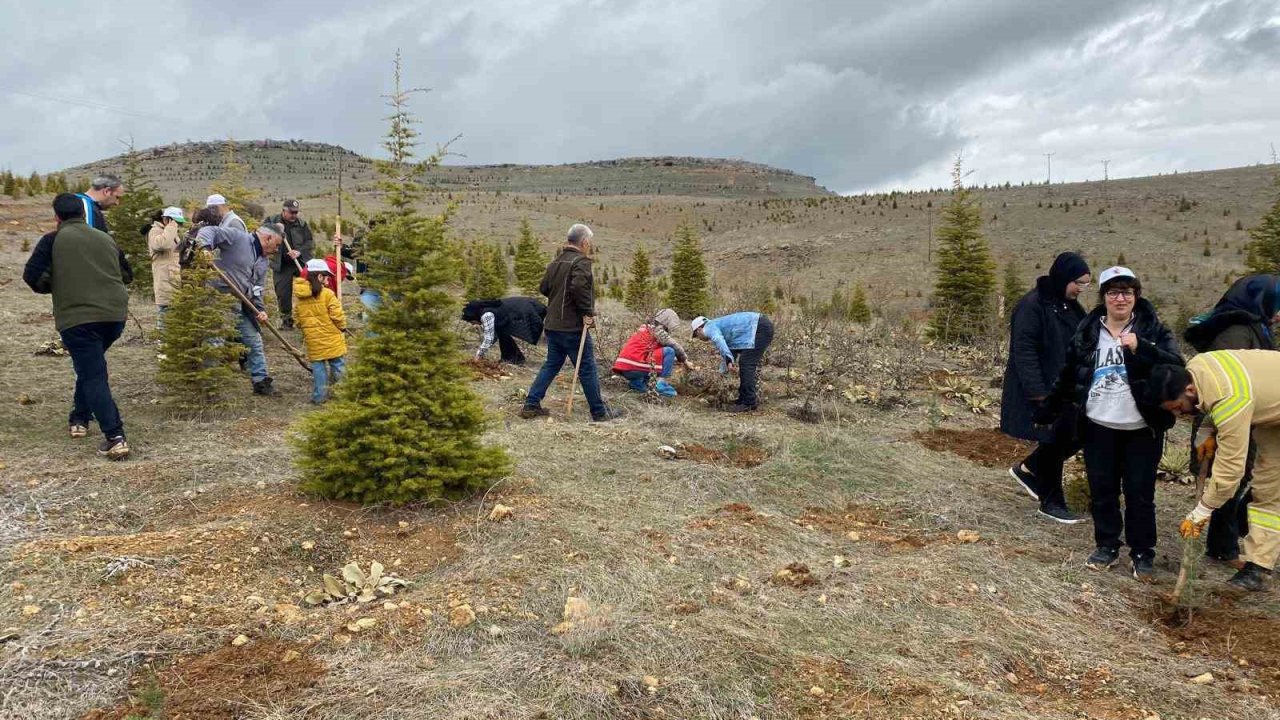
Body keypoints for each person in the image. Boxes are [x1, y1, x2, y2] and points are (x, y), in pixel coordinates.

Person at [1037, 267, 1183, 581]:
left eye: (1127, 292)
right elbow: (1068, 373)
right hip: (1098, 426)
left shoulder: (1154, 329)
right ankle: (1106, 545)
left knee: (1139, 495)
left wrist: (1142, 348)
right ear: (1103, 297)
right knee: (1102, 491)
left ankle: (1143, 552)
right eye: (1113, 292)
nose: (1120, 298)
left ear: (1136, 296)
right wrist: (1048, 409)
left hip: (1142, 429)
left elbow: (1178, 368)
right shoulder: (1088, 332)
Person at [1147, 350, 1280, 591]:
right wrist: (1207, 429)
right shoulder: (1198, 366)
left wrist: (1203, 509)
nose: (1178, 414)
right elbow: (1217, 397)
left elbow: (1231, 469)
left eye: (1178, 407)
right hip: (1272, 413)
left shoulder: (1231, 400)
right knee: (1268, 489)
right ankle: (1259, 569)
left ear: (1189, 390)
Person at [21, 194, 131, 460]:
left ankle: (115, 436)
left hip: (78, 319)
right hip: (115, 317)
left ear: (57, 217)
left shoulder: (53, 240)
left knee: (93, 374)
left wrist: (53, 285)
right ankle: (79, 418)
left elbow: (31, 276)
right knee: (90, 366)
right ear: (84, 214)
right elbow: (127, 274)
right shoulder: (105, 238)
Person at [1181, 274, 1279, 565]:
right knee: (1231, 480)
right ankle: (1224, 547)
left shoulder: (1253, 325)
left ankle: (1235, 548)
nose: (1278, 313)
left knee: (1252, 484)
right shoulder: (1236, 331)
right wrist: (1210, 429)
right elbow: (1223, 389)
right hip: (1236, 419)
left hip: (1251, 417)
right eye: (1275, 304)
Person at [1002, 252, 1092, 524]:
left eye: (1086, 284)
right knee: (1053, 439)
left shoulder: (1072, 308)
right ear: (1063, 277)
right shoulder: (1032, 305)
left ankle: (1030, 468)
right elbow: (1024, 351)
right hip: (1040, 389)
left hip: (1066, 388)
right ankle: (1051, 502)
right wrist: (1039, 394)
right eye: (1078, 282)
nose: (1081, 289)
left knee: (1077, 434)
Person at [519, 223, 623, 422]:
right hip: (571, 327)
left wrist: (559, 297)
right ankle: (599, 412)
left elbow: (544, 288)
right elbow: (578, 287)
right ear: (583, 242)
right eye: (589, 243)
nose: (589, 246)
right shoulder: (581, 262)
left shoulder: (556, 262)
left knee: (551, 364)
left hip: (552, 325)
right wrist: (587, 312)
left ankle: (531, 404)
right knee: (586, 367)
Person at [196, 221, 285, 396]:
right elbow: (208, 230)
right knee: (215, 342)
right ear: (268, 238)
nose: (277, 249)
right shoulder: (238, 238)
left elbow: (257, 287)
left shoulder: (263, 261)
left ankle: (261, 382)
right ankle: (210, 387)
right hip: (218, 299)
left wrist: (260, 309)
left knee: (254, 340)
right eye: (277, 244)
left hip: (243, 303)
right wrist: (205, 248)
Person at [690, 311, 775, 412]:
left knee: (746, 363)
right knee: (745, 362)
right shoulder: (721, 327)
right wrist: (721, 374)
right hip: (759, 326)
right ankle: (743, 399)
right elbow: (729, 352)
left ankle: (749, 402)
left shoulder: (709, 327)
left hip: (759, 328)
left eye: (696, 336)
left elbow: (719, 341)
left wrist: (729, 359)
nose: (699, 338)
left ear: (699, 330)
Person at [294, 259, 347, 404]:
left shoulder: (300, 298)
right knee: (337, 365)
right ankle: (342, 394)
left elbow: (297, 319)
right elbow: (337, 315)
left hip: (313, 340)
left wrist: (306, 330)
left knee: (318, 368)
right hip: (332, 338)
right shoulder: (328, 294)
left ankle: (319, 397)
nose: (328, 279)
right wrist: (342, 327)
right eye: (326, 276)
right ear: (319, 277)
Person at [613, 308, 696, 396]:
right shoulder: (657, 331)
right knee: (670, 351)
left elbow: (650, 351)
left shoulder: (645, 328)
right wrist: (685, 360)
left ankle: (637, 382)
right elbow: (673, 345)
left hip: (625, 368)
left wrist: (675, 361)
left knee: (656, 356)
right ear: (666, 323)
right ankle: (660, 385)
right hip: (634, 367)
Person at [265, 199, 313, 329]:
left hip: (299, 263)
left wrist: (299, 252)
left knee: (307, 289)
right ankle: (286, 321)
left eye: (296, 212)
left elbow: (309, 242)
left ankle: (307, 319)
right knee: (283, 293)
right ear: (284, 210)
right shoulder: (271, 220)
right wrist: (274, 232)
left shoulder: (302, 224)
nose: (294, 215)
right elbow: (262, 236)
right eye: (291, 212)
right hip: (281, 265)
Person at [462, 297, 547, 365]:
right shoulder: (489, 310)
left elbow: (489, 338)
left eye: (471, 321)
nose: (473, 324)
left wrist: (478, 356)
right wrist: (482, 352)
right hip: (527, 306)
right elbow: (493, 336)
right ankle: (513, 358)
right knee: (502, 331)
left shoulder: (487, 315)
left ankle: (514, 359)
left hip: (529, 310)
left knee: (504, 331)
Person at [147, 207, 187, 330]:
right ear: (166, 219)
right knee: (165, 313)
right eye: (176, 222)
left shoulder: (168, 232)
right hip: (165, 278)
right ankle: (162, 344)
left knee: (173, 314)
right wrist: (171, 227)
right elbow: (161, 244)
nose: (177, 225)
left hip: (173, 278)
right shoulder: (155, 231)